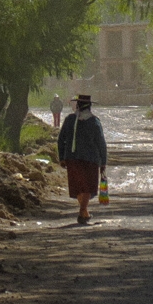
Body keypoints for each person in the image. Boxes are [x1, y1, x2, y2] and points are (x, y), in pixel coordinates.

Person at [57, 94, 107, 224]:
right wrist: (103, 162)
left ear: (77, 105)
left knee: (78, 187)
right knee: (87, 188)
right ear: (90, 106)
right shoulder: (94, 121)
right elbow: (101, 143)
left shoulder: (69, 120)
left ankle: (84, 212)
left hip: (72, 159)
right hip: (90, 161)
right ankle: (82, 211)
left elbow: (61, 139)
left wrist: (62, 157)